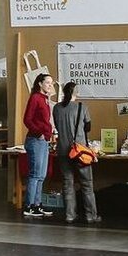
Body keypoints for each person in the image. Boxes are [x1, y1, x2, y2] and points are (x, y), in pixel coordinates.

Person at [51, 81, 99, 224]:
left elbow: (57, 126)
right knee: (87, 184)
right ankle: (91, 215)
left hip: (63, 151)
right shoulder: (81, 107)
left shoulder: (57, 108)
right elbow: (88, 127)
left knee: (67, 183)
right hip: (80, 152)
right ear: (75, 93)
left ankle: (70, 215)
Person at [21, 73, 56, 218]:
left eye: (51, 83)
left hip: (44, 140)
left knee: (41, 175)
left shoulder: (45, 99)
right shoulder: (35, 97)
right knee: (35, 174)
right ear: (40, 84)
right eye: (47, 82)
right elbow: (27, 119)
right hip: (35, 140)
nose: (50, 85)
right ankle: (29, 205)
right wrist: (39, 132)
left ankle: (37, 204)